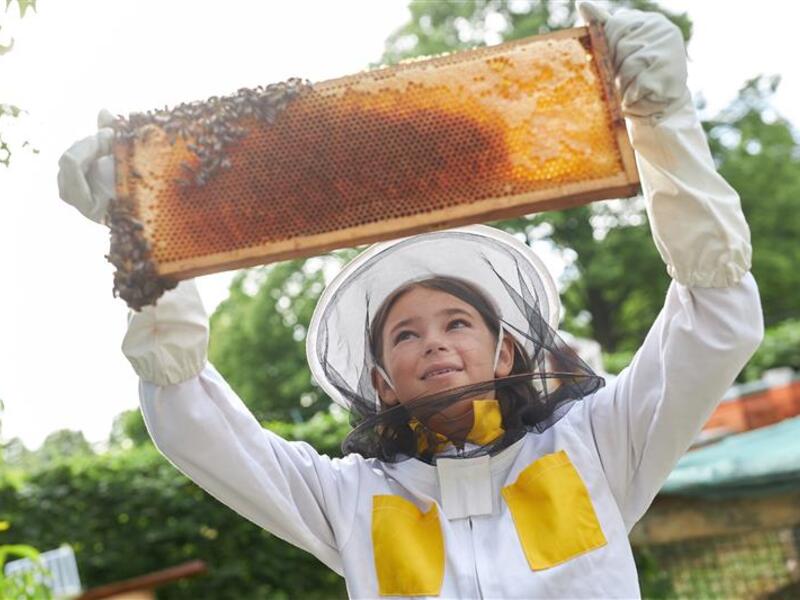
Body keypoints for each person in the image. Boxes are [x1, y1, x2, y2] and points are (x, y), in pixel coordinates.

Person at [57, 3, 764, 597]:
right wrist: (144, 242)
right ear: (379, 384)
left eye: (458, 322)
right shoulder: (347, 498)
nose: (434, 342)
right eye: (404, 335)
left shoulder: (598, 444)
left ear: (507, 350)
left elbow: (717, 323)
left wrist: (664, 127)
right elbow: (191, 423)